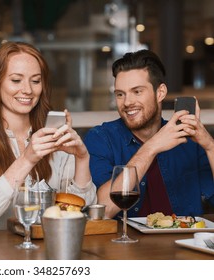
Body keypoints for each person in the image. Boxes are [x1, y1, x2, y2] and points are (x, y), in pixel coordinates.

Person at [0, 41, 97, 232]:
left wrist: (82, 159)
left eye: (36, 81)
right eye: (16, 80)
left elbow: (82, 209)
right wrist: (27, 159)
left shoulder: (53, 136)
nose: (28, 90)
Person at [84, 49, 214, 219]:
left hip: (184, 242)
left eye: (137, 91)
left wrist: (210, 146)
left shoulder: (189, 140)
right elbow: (103, 211)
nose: (127, 102)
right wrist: (152, 147)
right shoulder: (101, 138)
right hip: (125, 244)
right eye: (120, 94)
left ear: (160, 93)